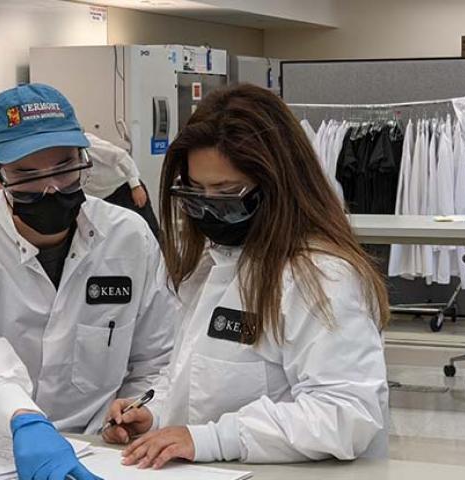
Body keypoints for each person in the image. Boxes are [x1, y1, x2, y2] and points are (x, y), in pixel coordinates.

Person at [102, 84, 390, 468]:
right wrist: (152, 414)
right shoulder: (210, 262)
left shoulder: (321, 275)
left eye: (226, 191)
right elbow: (195, 375)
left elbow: (346, 413)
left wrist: (212, 438)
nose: (210, 207)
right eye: (197, 191)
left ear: (277, 184)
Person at [0, 84, 177, 480]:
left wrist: (142, 407)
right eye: (27, 175)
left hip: (91, 448)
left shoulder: (129, 237)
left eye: (66, 168)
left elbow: (157, 357)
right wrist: (25, 421)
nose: (51, 188)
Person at [83, 132, 160, 238]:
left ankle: (162, 253)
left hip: (124, 189)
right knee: (120, 237)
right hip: (102, 199)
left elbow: (121, 156)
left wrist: (135, 186)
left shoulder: (87, 143)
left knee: (148, 231)